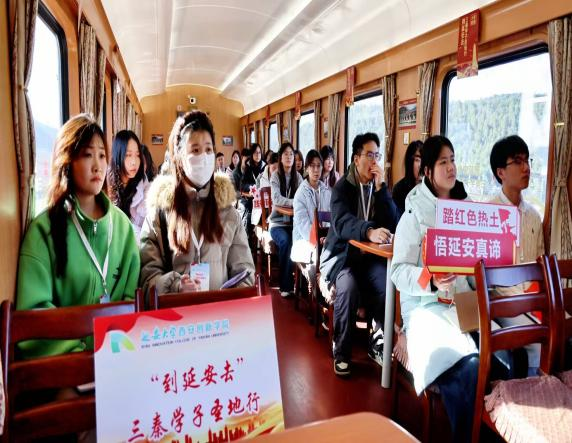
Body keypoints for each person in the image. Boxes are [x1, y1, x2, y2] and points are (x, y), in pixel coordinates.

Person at [16, 114, 140, 358]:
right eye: (87, 155)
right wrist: (79, 356)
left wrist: (111, 355)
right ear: (67, 161)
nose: (97, 166)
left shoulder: (123, 228)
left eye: (102, 155)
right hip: (63, 365)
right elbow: (34, 315)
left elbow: (130, 299)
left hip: (115, 358)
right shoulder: (43, 231)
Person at [391, 135, 478, 443]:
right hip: (427, 308)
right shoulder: (414, 214)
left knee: (510, 355)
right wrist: (430, 279)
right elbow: (398, 271)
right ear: (427, 171)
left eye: (453, 160)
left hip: (465, 301)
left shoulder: (467, 209)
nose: (451, 167)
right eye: (443, 162)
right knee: (467, 367)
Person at [140, 110, 255, 295]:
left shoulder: (228, 213)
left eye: (208, 150)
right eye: (195, 150)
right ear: (179, 158)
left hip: (219, 313)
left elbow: (245, 273)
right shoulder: (159, 214)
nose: (204, 157)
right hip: (177, 312)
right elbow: (147, 278)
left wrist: (227, 301)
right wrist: (175, 287)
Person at [319, 133, 399, 377]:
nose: (374, 161)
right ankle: (342, 351)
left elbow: (392, 222)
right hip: (343, 257)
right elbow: (342, 223)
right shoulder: (342, 188)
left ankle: (378, 341)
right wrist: (369, 231)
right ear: (356, 159)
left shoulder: (377, 188)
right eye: (369, 155)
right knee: (348, 286)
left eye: (377, 155)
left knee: (386, 284)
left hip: (370, 259)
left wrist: (382, 190)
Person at [489, 135, 544, 376]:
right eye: (518, 161)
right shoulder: (488, 213)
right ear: (500, 172)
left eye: (527, 160)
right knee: (536, 341)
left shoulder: (533, 215)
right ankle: (534, 392)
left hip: (533, 297)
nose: (526, 168)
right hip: (502, 301)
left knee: (564, 327)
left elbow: (540, 262)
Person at [291, 150, 331, 281]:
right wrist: (318, 239)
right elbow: (303, 225)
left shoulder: (326, 191)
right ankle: (318, 285)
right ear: (307, 168)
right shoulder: (300, 194)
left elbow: (332, 218)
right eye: (312, 166)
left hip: (323, 238)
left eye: (319, 166)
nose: (316, 170)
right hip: (303, 239)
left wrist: (328, 237)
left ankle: (328, 284)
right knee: (319, 254)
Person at [270, 142, 303, 297]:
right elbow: (276, 199)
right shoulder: (275, 176)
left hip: (294, 223)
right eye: (286, 154)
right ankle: (286, 286)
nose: (289, 157)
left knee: (305, 241)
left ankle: (303, 286)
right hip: (277, 224)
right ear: (280, 157)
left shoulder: (298, 177)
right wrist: (294, 202)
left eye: (291, 154)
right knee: (286, 241)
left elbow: (304, 197)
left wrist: (296, 202)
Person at [108, 130, 149, 241]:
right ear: (118, 155)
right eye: (128, 155)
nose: (134, 162)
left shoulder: (146, 189)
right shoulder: (105, 185)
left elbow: (147, 233)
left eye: (137, 155)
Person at [238, 143, 265, 234]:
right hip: (250, 197)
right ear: (252, 154)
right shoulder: (248, 166)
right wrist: (253, 187)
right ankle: (247, 234)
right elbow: (242, 185)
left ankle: (256, 234)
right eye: (255, 153)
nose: (258, 155)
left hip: (262, 198)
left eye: (259, 152)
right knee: (246, 209)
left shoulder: (265, 167)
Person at [392, 140, 423, 214]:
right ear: (409, 162)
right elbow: (397, 217)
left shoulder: (432, 188)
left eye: (424, 160)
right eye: (417, 160)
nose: (421, 165)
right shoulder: (399, 189)